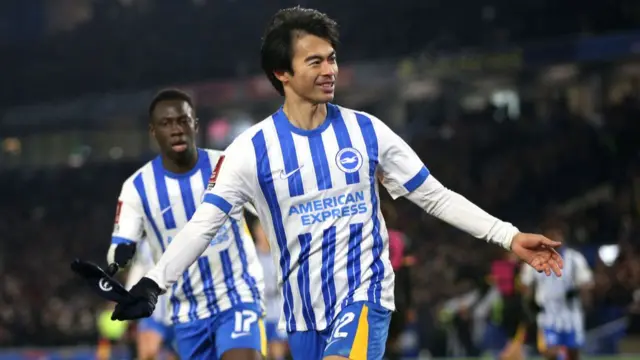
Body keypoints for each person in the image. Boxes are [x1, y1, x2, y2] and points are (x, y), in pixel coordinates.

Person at [114, 7, 563, 360]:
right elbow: (202, 225)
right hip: (302, 314)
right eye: (315, 61)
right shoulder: (251, 151)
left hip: (364, 294)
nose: (329, 69)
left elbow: (434, 195)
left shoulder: (368, 131)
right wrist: (153, 284)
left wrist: (508, 235)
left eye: (331, 58)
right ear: (282, 74)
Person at [107, 88, 266, 360]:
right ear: (153, 131)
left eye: (182, 121)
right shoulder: (137, 187)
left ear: (195, 124)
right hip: (186, 312)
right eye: (166, 124)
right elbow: (121, 244)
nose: (176, 130)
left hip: (236, 297)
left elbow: (270, 209)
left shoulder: (227, 166)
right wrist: (117, 259)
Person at [520, 223, 593, 360]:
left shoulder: (575, 259)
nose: (554, 238)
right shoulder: (534, 259)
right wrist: (528, 304)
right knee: (550, 351)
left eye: (557, 235)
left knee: (573, 352)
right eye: (550, 235)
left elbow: (586, 282)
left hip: (570, 312)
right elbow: (526, 284)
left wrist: (584, 298)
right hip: (547, 313)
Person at [125, 241, 177, 360]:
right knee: (147, 354)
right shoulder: (146, 245)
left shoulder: (184, 235)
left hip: (179, 312)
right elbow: (139, 268)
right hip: (153, 313)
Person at [254, 220, 289, 360]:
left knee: (278, 349)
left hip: (277, 311)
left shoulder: (279, 253)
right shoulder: (252, 255)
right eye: (261, 230)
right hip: (260, 312)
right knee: (262, 351)